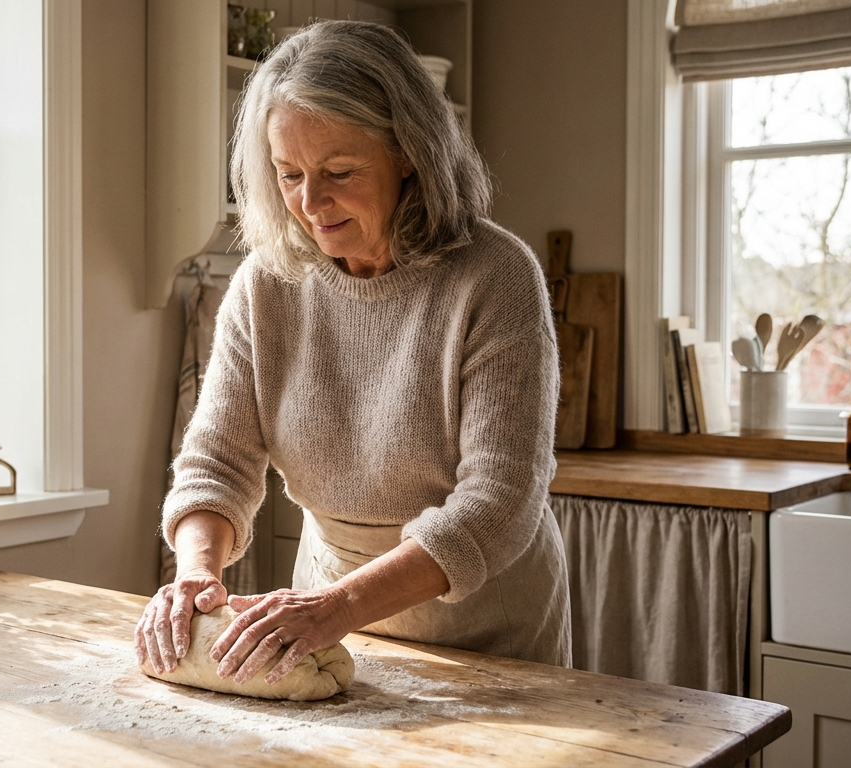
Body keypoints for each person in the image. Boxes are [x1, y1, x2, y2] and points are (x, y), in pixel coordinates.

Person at [133, 19, 571, 689]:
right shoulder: (266, 286)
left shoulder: (494, 276)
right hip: (325, 609)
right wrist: (195, 571)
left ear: (408, 153)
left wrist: (340, 606)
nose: (310, 203)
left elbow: (498, 504)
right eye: (288, 175)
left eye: (339, 171)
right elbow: (216, 462)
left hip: (486, 623)